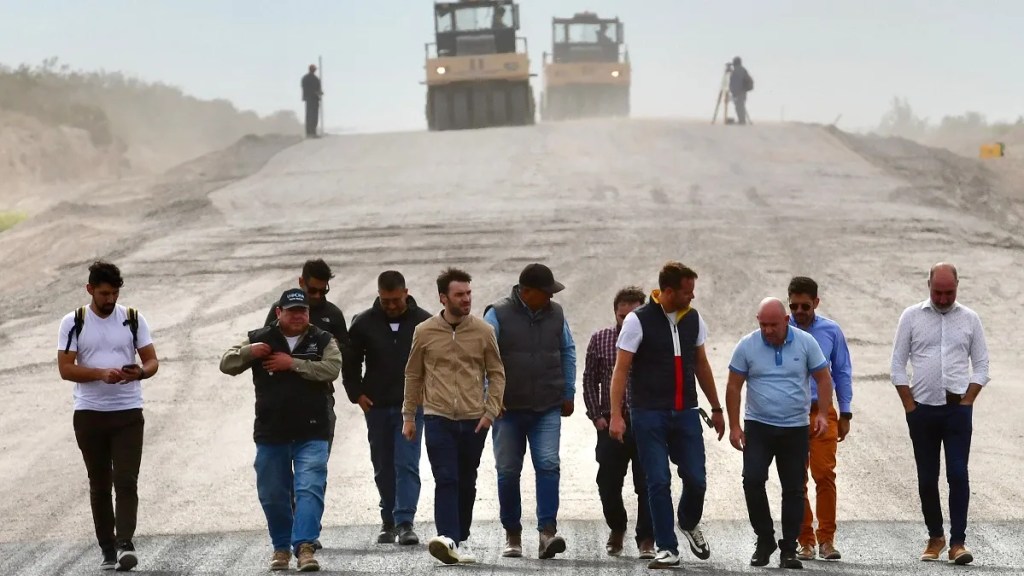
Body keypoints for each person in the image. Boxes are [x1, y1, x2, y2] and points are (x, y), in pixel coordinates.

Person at [609, 262, 726, 569]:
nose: (693, 297)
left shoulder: (693, 319)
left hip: (686, 411)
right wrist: (616, 415)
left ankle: (687, 522)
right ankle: (667, 548)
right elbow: (621, 370)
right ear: (669, 291)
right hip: (648, 414)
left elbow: (701, 364)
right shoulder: (638, 321)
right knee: (657, 481)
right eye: (688, 291)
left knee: (696, 479)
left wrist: (716, 408)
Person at [220, 288, 342, 572]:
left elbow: (332, 368)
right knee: (273, 493)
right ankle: (281, 548)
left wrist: (293, 364)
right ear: (279, 313)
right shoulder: (260, 337)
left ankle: (306, 547)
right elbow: (226, 362)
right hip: (271, 432)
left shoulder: (322, 339)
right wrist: (251, 352)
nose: (298, 316)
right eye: (292, 311)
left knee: (309, 488)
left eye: (303, 311)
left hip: (312, 430)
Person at [57, 260, 159, 572]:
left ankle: (125, 542)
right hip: (90, 414)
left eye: (114, 293)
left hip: (128, 411)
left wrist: (139, 372)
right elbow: (66, 369)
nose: (110, 299)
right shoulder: (73, 321)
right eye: (104, 293)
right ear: (90, 290)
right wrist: (102, 373)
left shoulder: (132, 318)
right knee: (100, 483)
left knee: (126, 479)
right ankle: (107, 547)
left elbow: (153, 361)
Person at [403, 267, 506, 566]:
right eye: (459, 294)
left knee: (466, 480)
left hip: (474, 419)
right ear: (443, 298)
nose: (466, 299)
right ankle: (448, 537)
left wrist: (490, 411)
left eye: (468, 293)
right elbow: (413, 374)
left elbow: (497, 373)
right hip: (437, 416)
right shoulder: (424, 331)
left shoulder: (484, 331)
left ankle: (462, 536)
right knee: (445, 477)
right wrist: (409, 416)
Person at [890, 263, 989, 566]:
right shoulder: (911, 316)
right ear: (928, 285)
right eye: (938, 292)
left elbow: (982, 365)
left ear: (958, 286)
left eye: (949, 292)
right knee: (926, 478)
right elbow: (897, 365)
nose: (943, 299)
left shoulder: (970, 319)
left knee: (958, 474)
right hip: (922, 411)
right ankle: (936, 536)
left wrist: (968, 401)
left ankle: (958, 542)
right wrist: (909, 406)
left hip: (957, 411)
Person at [725, 297, 834, 570]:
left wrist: (822, 413)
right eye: (763, 325)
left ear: (786, 320)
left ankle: (789, 548)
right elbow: (734, 386)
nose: (768, 331)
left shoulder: (806, 343)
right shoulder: (747, 345)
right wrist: (735, 426)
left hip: (794, 427)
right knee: (752, 480)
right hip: (759, 425)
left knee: (794, 488)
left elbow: (823, 377)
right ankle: (764, 540)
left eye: (773, 325)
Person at [483, 263, 576, 560]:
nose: (550, 297)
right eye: (545, 292)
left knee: (548, 464)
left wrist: (568, 390)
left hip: (547, 405)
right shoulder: (497, 314)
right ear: (526, 292)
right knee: (508, 471)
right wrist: (490, 397)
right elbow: (484, 355)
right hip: (507, 409)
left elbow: (568, 349)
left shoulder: (556, 314)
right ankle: (512, 533)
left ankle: (547, 533)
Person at [342, 270, 432, 545]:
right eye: (385, 300)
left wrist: (427, 394)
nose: (391, 305)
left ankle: (405, 522)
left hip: (411, 407)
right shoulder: (363, 323)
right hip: (378, 406)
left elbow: (437, 361)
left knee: (406, 463)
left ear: (406, 292)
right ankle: (388, 520)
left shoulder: (424, 322)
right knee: (382, 465)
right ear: (379, 295)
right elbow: (350, 361)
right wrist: (356, 393)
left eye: (395, 299)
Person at [581, 286, 655, 559]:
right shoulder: (601, 339)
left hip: (646, 422)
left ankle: (647, 538)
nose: (627, 322)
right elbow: (590, 378)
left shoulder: (651, 341)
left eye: (633, 315)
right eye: (622, 316)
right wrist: (597, 416)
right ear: (615, 314)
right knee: (608, 482)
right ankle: (617, 527)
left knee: (647, 482)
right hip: (612, 422)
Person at [787, 277, 853, 561]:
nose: (799, 311)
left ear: (816, 302)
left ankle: (827, 540)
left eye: (805, 306)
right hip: (790, 413)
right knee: (795, 478)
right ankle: (806, 541)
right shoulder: (780, 329)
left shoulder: (830, 331)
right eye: (794, 306)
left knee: (824, 474)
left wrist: (846, 411)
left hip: (822, 410)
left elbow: (842, 371)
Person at [264, 259, 348, 454]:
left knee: (315, 469)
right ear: (301, 281)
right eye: (313, 290)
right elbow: (265, 346)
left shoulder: (333, 314)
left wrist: (335, 346)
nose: (318, 296)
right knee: (280, 468)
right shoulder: (280, 310)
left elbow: (347, 353)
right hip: (281, 398)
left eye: (323, 290)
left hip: (319, 396)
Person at [729, 56, 753, 125]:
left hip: (739, 91)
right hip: (742, 91)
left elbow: (735, 81)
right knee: (740, 105)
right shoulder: (742, 70)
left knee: (739, 106)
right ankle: (742, 120)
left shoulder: (737, 70)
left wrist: (734, 91)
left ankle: (742, 121)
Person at [301, 64, 323, 137]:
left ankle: (309, 133)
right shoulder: (315, 79)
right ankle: (312, 132)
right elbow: (316, 89)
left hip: (308, 99)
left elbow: (304, 88)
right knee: (313, 116)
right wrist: (319, 93)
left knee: (308, 116)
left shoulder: (305, 78)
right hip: (313, 99)